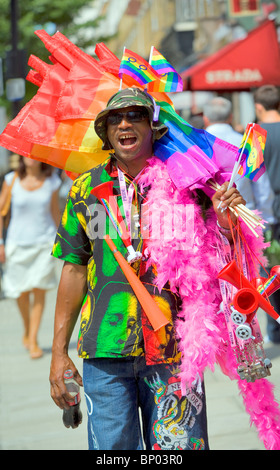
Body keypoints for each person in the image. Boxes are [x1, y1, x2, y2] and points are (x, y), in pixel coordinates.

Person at [49, 88, 248, 451]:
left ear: (152, 127)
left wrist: (225, 220)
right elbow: (74, 268)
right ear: (106, 132)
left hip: (173, 351)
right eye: (115, 119)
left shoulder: (190, 185)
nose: (124, 124)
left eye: (135, 116)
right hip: (105, 350)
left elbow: (224, 254)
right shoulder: (85, 189)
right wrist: (58, 353)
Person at [0, 157, 61, 359]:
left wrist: (63, 241)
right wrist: (0, 243)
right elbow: (1, 213)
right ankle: (27, 328)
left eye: (35, 155)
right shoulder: (11, 179)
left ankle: (33, 339)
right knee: (20, 292)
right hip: (17, 244)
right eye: (26, 154)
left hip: (44, 242)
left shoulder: (52, 180)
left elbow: (55, 213)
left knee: (39, 289)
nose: (29, 158)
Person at [253, 84, 280, 343]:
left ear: (258, 107)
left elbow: (252, 177)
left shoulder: (256, 135)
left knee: (272, 273)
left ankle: (276, 329)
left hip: (269, 215)